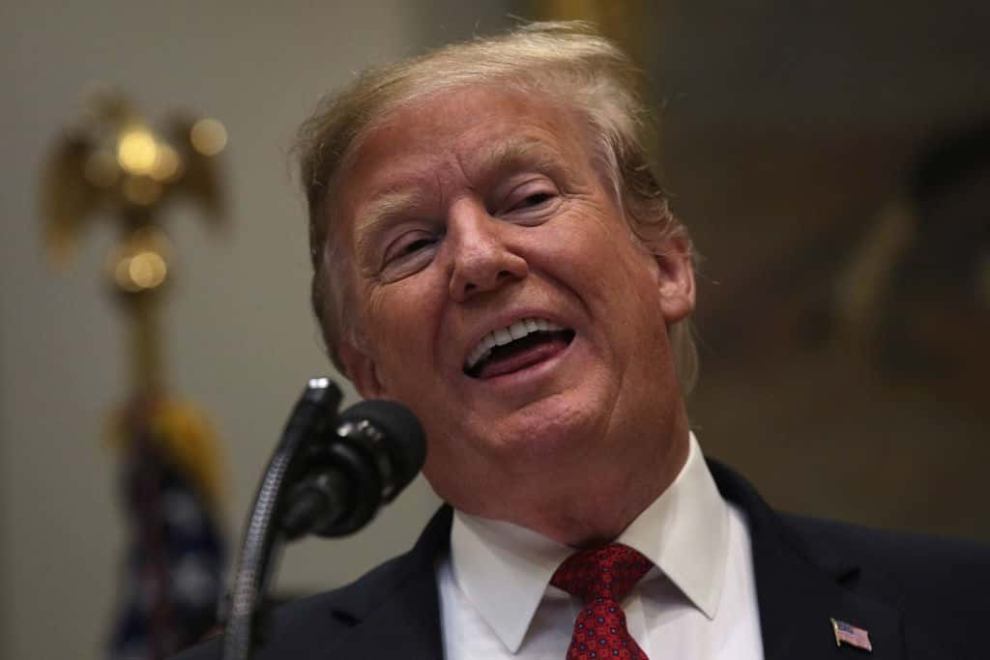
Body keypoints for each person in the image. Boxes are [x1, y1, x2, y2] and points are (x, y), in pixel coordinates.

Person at [176, 22, 988, 660]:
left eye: (527, 198)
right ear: (369, 374)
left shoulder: (962, 616)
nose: (478, 258)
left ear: (665, 266)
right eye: (411, 246)